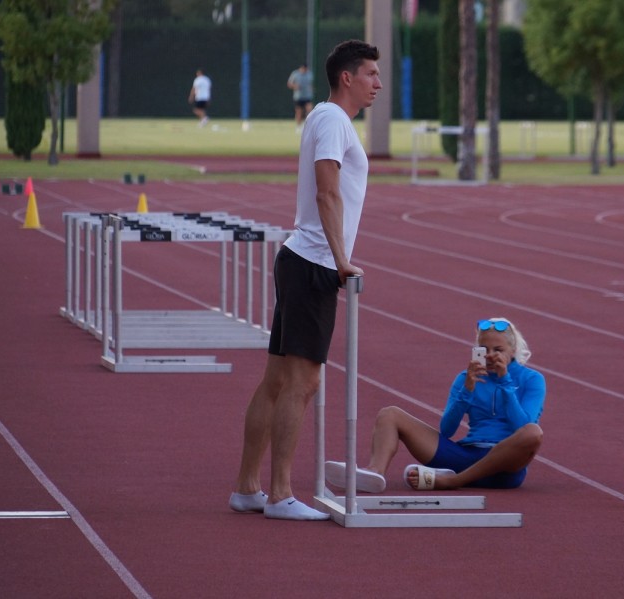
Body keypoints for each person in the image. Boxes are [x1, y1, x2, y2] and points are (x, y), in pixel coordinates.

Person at [229, 40, 382, 521]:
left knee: (276, 380)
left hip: (302, 259)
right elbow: (327, 190)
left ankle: (248, 488)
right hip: (314, 261)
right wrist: (342, 261)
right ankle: (279, 495)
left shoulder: (322, 116)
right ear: (347, 78)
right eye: (372, 74)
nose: (378, 83)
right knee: (302, 382)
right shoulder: (334, 120)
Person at [324, 318, 545, 493]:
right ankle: (374, 472)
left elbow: (522, 426)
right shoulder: (466, 377)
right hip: (466, 456)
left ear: (512, 349)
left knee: (533, 433)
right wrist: (466, 390)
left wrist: (505, 381)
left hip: (504, 467)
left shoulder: (531, 379)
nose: (490, 355)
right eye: (484, 349)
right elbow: (447, 429)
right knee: (390, 414)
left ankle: (452, 480)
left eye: (498, 349)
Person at [287, 64, 314, 131]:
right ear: (300, 68)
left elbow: (311, 84)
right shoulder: (295, 74)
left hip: (307, 96)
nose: (304, 71)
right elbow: (289, 84)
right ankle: (298, 126)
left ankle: (308, 125)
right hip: (298, 97)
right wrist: (295, 86)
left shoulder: (310, 74)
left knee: (310, 110)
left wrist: (311, 89)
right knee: (299, 112)